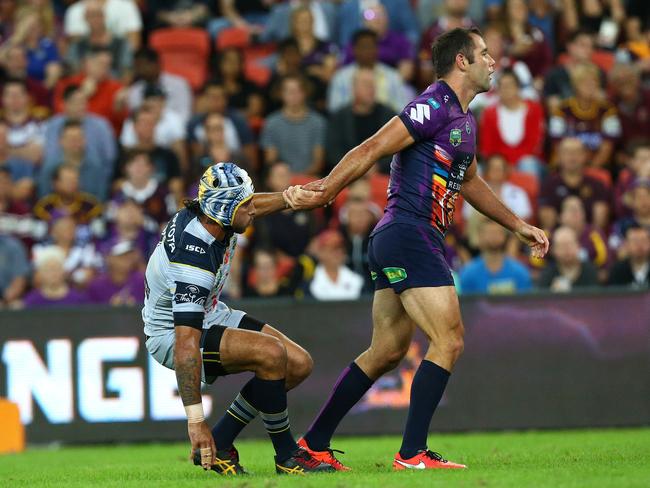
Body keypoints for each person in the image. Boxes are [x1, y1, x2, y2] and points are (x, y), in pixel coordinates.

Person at [284, 27, 548, 470]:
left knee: (387, 350)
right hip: (411, 232)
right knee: (449, 338)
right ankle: (412, 453)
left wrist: (517, 225)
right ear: (462, 61)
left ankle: (313, 443)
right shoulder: (433, 105)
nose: (493, 62)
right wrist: (326, 189)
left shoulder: (463, 120)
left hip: (400, 237)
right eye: (484, 54)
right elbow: (373, 147)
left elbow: (469, 182)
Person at [142, 162, 333, 475]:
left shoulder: (214, 215)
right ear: (225, 209)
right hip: (171, 333)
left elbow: (252, 206)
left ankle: (223, 441)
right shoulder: (194, 259)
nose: (253, 210)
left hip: (211, 311)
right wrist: (195, 421)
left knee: (298, 363)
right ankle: (287, 456)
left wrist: (291, 198)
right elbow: (186, 342)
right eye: (246, 204)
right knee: (271, 354)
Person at [459, 218, 532, 294]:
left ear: (504, 236)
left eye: (497, 232)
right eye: (489, 233)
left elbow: (525, 303)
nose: (493, 237)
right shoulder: (468, 274)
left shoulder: (520, 273)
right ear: (480, 236)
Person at [537, 226, 599, 292]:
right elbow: (541, 299)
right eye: (562, 246)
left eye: (570, 244)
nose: (567, 250)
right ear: (553, 250)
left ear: (578, 246)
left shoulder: (590, 271)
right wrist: (552, 293)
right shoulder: (547, 274)